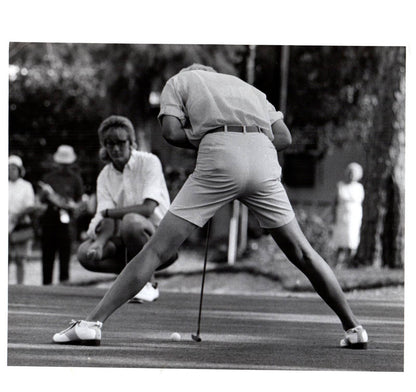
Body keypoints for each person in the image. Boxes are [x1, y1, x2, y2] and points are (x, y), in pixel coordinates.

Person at [53, 64, 368, 349]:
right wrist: (247, 149)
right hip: (263, 155)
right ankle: (354, 328)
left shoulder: (179, 81)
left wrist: (209, 142)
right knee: (303, 252)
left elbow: (171, 132)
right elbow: (283, 137)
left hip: (219, 154)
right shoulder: (246, 87)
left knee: (155, 251)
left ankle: (92, 323)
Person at [76, 115, 172, 302]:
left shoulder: (149, 162)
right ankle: (130, 279)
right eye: (109, 143)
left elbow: (148, 208)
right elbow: (107, 220)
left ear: (131, 142)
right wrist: (100, 243)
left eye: (120, 142)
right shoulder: (104, 176)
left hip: (159, 240)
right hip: (127, 241)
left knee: (131, 221)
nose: (115, 148)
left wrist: (108, 213)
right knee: (83, 253)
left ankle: (147, 283)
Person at [39, 145, 84, 285]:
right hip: (49, 218)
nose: (64, 166)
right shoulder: (49, 178)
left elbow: (80, 202)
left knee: (65, 254)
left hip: (66, 220)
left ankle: (64, 284)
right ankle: (46, 285)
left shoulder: (76, 179)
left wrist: (73, 206)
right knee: (47, 254)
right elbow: (40, 200)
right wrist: (45, 195)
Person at [8, 155, 36, 284]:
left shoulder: (26, 185)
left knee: (20, 258)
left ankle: (20, 285)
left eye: (13, 168)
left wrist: (18, 215)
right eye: (8, 168)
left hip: (19, 224)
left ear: (19, 170)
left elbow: (30, 205)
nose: (11, 171)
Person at [332, 163, 365, 267]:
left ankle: (350, 262)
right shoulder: (340, 185)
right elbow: (335, 202)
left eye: (354, 173)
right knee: (340, 239)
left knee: (352, 238)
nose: (351, 175)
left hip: (354, 216)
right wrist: (333, 217)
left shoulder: (359, 187)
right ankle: (338, 263)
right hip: (342, 215)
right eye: (350, 172)